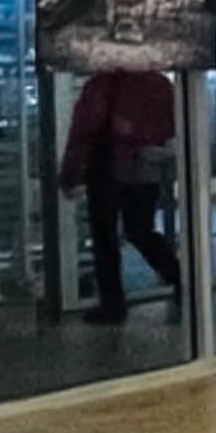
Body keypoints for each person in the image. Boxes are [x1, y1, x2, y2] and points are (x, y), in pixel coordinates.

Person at [57, 60, 183, 321]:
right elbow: (172, 127)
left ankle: (113, 304)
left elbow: (82, 132)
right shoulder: (158, 84)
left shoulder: (99, 85)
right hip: (139, 168)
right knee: (139, 231)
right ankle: (182, 280)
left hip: (105, 167)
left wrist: (70, 175)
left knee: (105, 238)